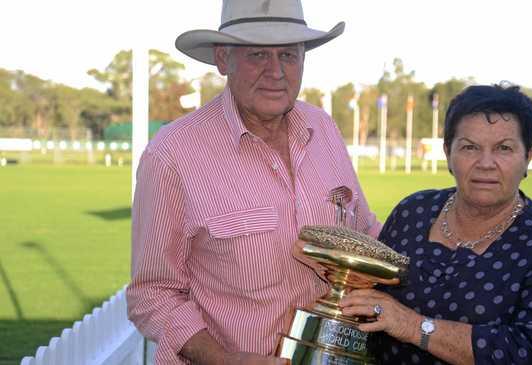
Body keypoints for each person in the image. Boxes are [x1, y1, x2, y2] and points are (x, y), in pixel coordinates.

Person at [126, 1, 381, 364]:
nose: (275, 72)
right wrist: (224, 359)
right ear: (222, 59)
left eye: (289, 56)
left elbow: (364, 234)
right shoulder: (172, 155)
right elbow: (152, 294)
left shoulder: (323, 129)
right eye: (258, 54)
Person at [339, 84, 532, 364]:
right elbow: (367, 303)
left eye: (504, 148)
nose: (486, 163)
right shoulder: (413, 212)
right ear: (448, 152)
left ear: (528, 156)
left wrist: (413, 325)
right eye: (470, 147)